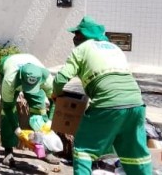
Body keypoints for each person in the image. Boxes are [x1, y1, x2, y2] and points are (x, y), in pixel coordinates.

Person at [52, 16, 151, 175]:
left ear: (85, 35)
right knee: (134, 155)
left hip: (107, 104)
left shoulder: (81, 49)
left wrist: (56, 94)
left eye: (77, 34)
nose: (74, 38)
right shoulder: (114, 48)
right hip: (136, 104)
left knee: (84, 149)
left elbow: (61, 79)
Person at [0, 53, 57, 165]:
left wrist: (49, 121)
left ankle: (46, 149)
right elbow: (7, 107)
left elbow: (56, 101)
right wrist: (17, 130)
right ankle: (8, 150)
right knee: (7, 112)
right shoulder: (9, 80)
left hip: (30, 63)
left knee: (40, 109)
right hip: (9, 65)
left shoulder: (46, 78)